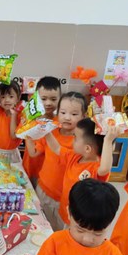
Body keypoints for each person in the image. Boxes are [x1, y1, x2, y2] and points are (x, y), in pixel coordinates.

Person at [25, 91, 87, 231]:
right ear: (57, 112)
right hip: (42, 190)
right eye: (63, 112)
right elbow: (33, 153)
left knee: (56, 232)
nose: (67, 117)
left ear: (84, 116)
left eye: (74, 114)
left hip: (63, 200)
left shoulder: (81, 143)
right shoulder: (52, 130)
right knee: (38, 229)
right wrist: (27, 134)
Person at [44, 117, 118, 227]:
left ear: (87, 149)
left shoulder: (95, 167)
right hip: (64, 211)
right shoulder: (74, 156)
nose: (72, 139)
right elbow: (56, 148)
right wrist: (46, 131)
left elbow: (105, 168)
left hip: (78, 221)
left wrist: (108, 141)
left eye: (75, 137)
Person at [22, 76, 61, 183]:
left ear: (60, 99)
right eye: (43, 99)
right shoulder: (30, 117)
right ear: (36, 98)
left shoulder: (58, 123)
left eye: (53, 99)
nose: (48, 103)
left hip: (45, 175)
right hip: (27, 167)